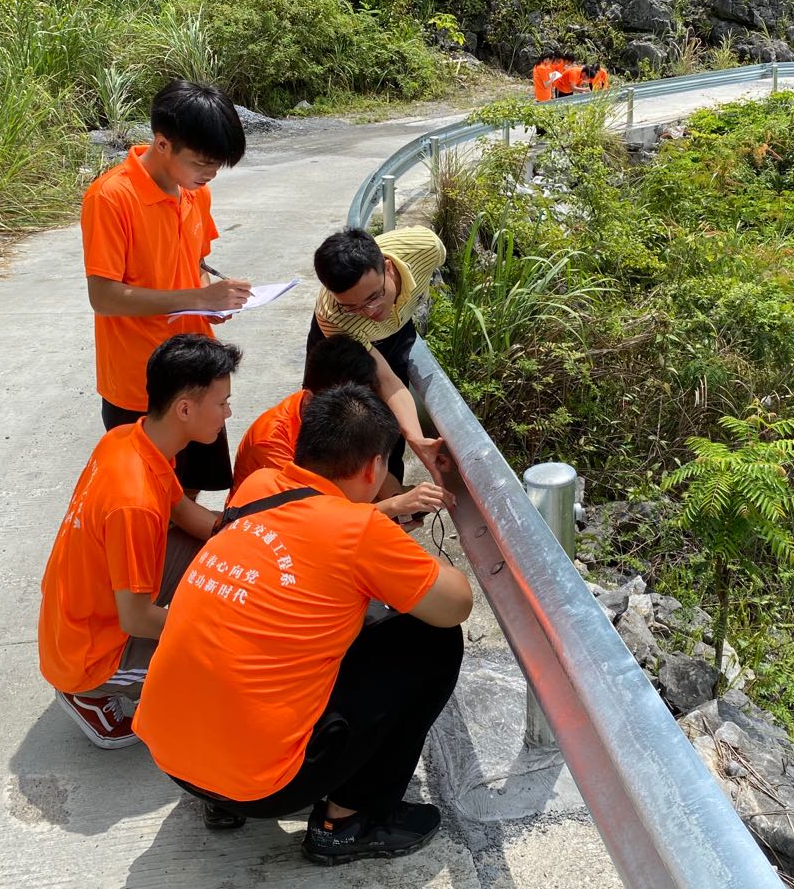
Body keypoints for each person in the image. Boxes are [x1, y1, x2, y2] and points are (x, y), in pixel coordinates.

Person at [133, 384, 474, 862]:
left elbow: (309, 542)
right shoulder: (361, 532)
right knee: (430, 641)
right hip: (260, 787)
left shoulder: (257, 489)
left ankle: (219, 799)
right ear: (374, 467)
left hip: (173, 759)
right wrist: (398, 549)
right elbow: (454, 604)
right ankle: (347, 822)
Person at [38, 334, 242, 749]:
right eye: (221, 403)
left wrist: (254, 539)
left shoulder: (133, 440)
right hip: (90, 654)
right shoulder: (133, 504)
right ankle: (89, 693)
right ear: (185, 408)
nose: (228, 412)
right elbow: (134, 619)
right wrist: (211, 630)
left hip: (84, 612)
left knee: (223, 557)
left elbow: (186, 514)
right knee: (227, 660)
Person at [81, 79, 250, 499]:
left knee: (189, 490)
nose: (209, 175)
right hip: (141, 385)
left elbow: (194, 265)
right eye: (201, 163)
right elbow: (103, 297)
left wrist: (213, 302)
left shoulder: (196, 193)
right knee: (147, 500)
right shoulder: (111, 198)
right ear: (162, 144)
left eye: (217, 166)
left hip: (197, 373)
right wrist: (198, 298)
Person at [231, 334, 453, 521]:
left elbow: (378, 477)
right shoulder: (271, 443)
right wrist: (393, 507)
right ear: (309, 399)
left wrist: (402, 503)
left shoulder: (348, 417)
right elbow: (307, 521)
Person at [307, 227, 448, 487]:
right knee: (342, 432)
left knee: (391, 435)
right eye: (353, 305)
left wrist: (416, 440)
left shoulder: (426, 247)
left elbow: (394, 386)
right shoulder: (336, 316)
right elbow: (385, 379)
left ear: (387, 267)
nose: (369, 311)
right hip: (347, 343)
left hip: (398, 328)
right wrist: (353, 311)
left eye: (374, 296)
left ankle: (391, 512)